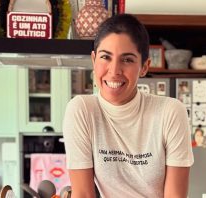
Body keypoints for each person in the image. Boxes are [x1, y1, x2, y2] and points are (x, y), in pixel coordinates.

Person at [63, 14, 194, 198]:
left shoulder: (170, 112)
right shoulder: (82, 110)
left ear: (144, 67)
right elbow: (83, 194)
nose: (114, 71)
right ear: (93, 60)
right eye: (105, 57)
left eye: (127, 60)